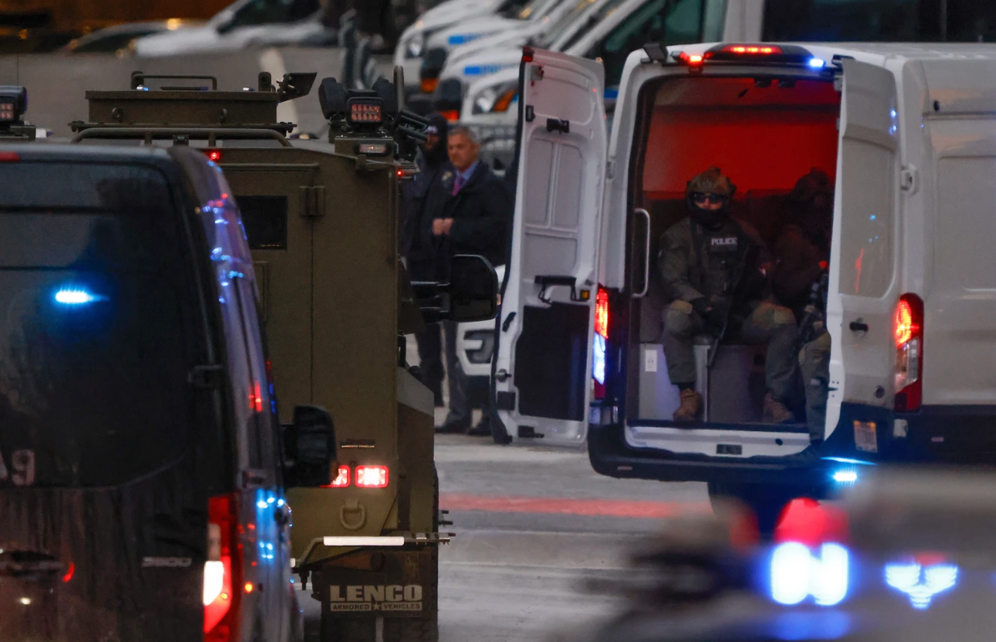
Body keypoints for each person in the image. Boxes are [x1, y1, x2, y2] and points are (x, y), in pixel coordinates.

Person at [658, 168, 799, 424]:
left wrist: (760, 275)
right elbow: (673, 280)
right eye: (701, 198)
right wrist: (704, 306)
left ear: (726, 201)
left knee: (784, 320)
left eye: (715, 199)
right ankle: (688, 396)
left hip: (740, 312)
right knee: (675, 316)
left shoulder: (743, 231)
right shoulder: (678, 235)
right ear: (691, 199)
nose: (707, 204)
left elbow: (767, 261)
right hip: (701, 312)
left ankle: (774, 400)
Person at [427, 126, 512, 435]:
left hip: (480, 279)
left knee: (485, 349)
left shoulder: (490, 186)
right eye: (451, 147)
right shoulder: (448, 182)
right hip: (452, 278)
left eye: (460, 147)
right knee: (453, 349)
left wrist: (454, 227)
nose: (454, 152)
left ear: (475, 148)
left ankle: (490, 413)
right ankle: (459, 412)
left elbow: (497, 229)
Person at [401, 114, 450, 408]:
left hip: (441, 259)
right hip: (417, 259)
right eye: (425, 136)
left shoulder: (447, 172)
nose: (429, 141)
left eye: (434, 135)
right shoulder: (416, 171)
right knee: (424, 329)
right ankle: (433, 387)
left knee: (450, 329)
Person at [771, 169, 833, 321]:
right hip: (802, 313)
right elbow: (787, 288)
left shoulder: (820, 235)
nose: (824, 207)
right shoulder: (793, 240)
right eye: (819, 201)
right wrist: (820, 268)